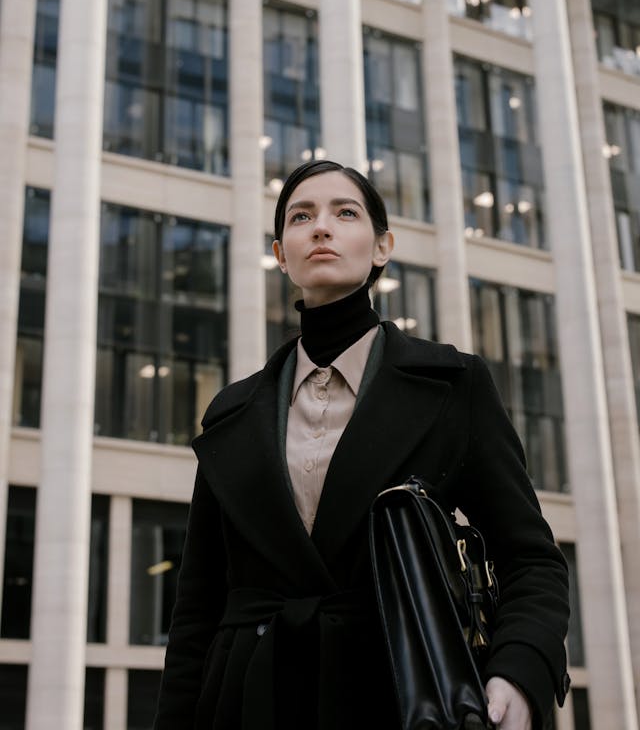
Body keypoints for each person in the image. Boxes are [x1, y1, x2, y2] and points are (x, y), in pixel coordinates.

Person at [154, 159, 570, 730]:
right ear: (282, 253)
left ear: (381, 247)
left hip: (397, 693)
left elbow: (531, 560)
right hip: (250, 700)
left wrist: (519, 676)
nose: (321, 227)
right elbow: (196, 608)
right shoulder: (232, 413)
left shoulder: (452, 385)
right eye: (302, 216)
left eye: (344, 213)